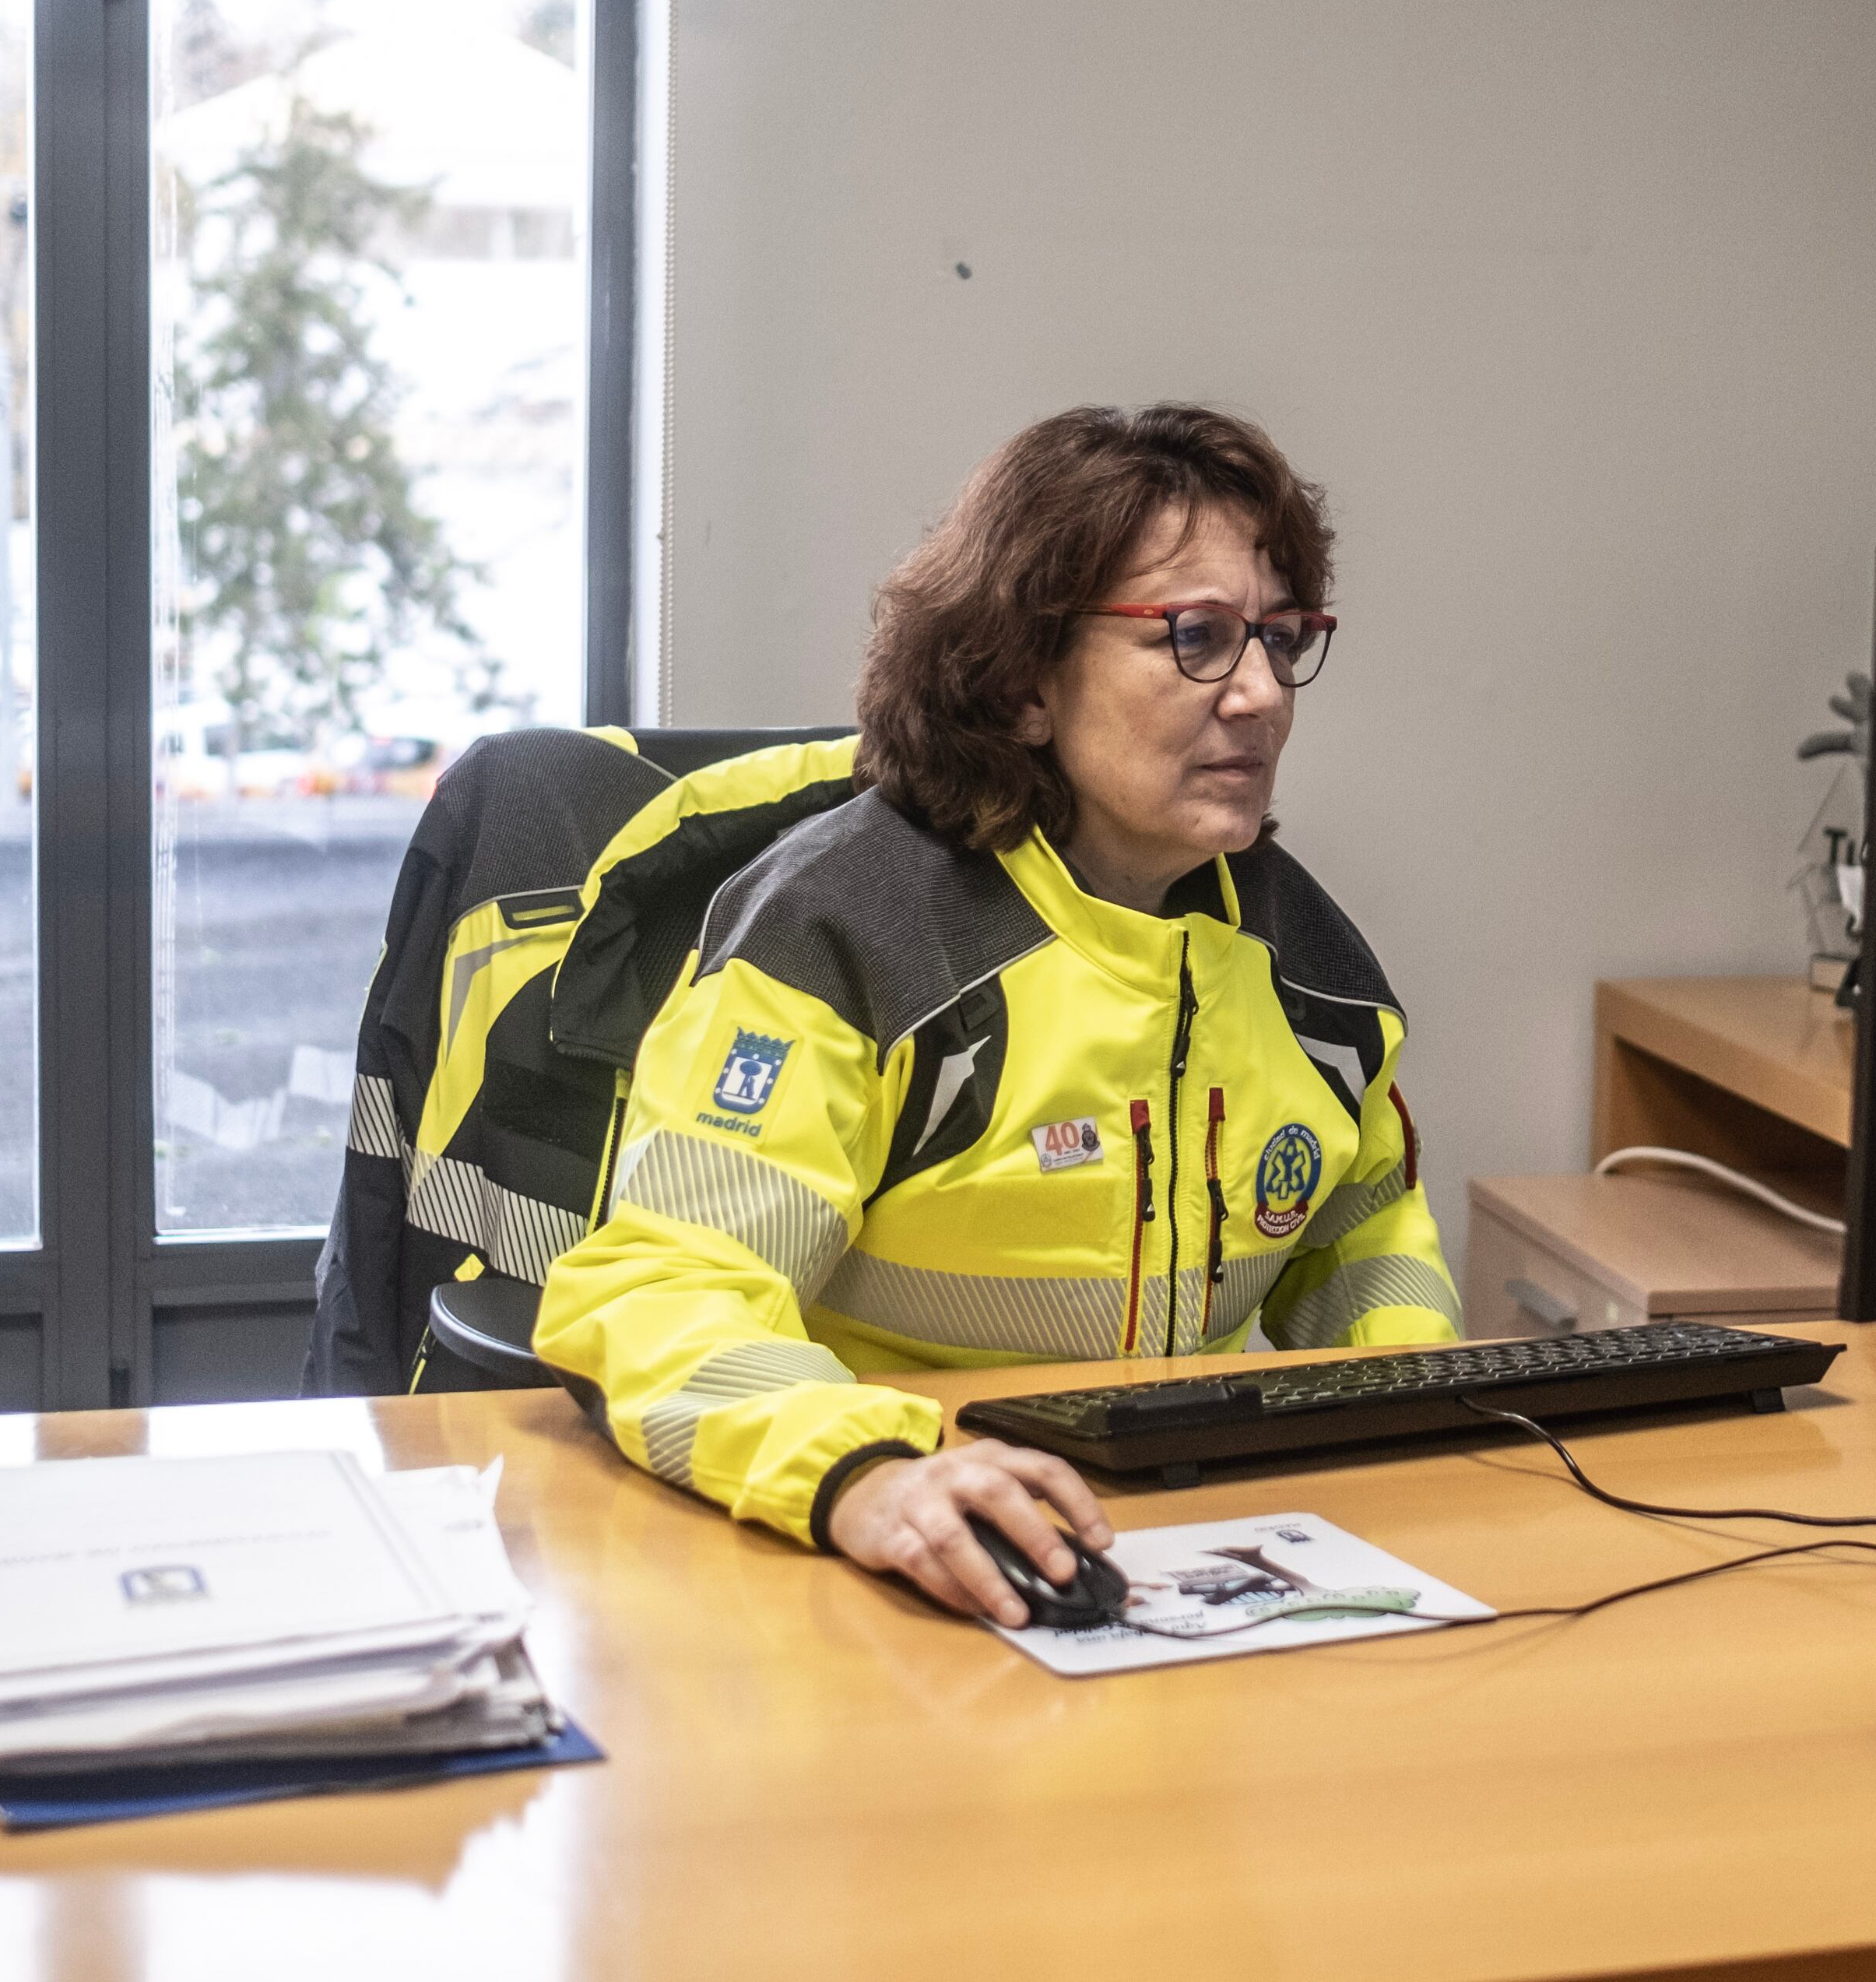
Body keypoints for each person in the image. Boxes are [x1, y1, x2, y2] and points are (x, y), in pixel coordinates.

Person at [532, 406, 1457, 1625]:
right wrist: (863, 1474)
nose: (1259, 695)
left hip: (1189, 1551)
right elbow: (659, 1290)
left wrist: (1415, 1406)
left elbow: (1363, 1237)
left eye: (1281, 639)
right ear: (1025, 683)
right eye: (1196, 637)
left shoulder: (1311, 967)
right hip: (885, 1558)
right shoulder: (843, 933)